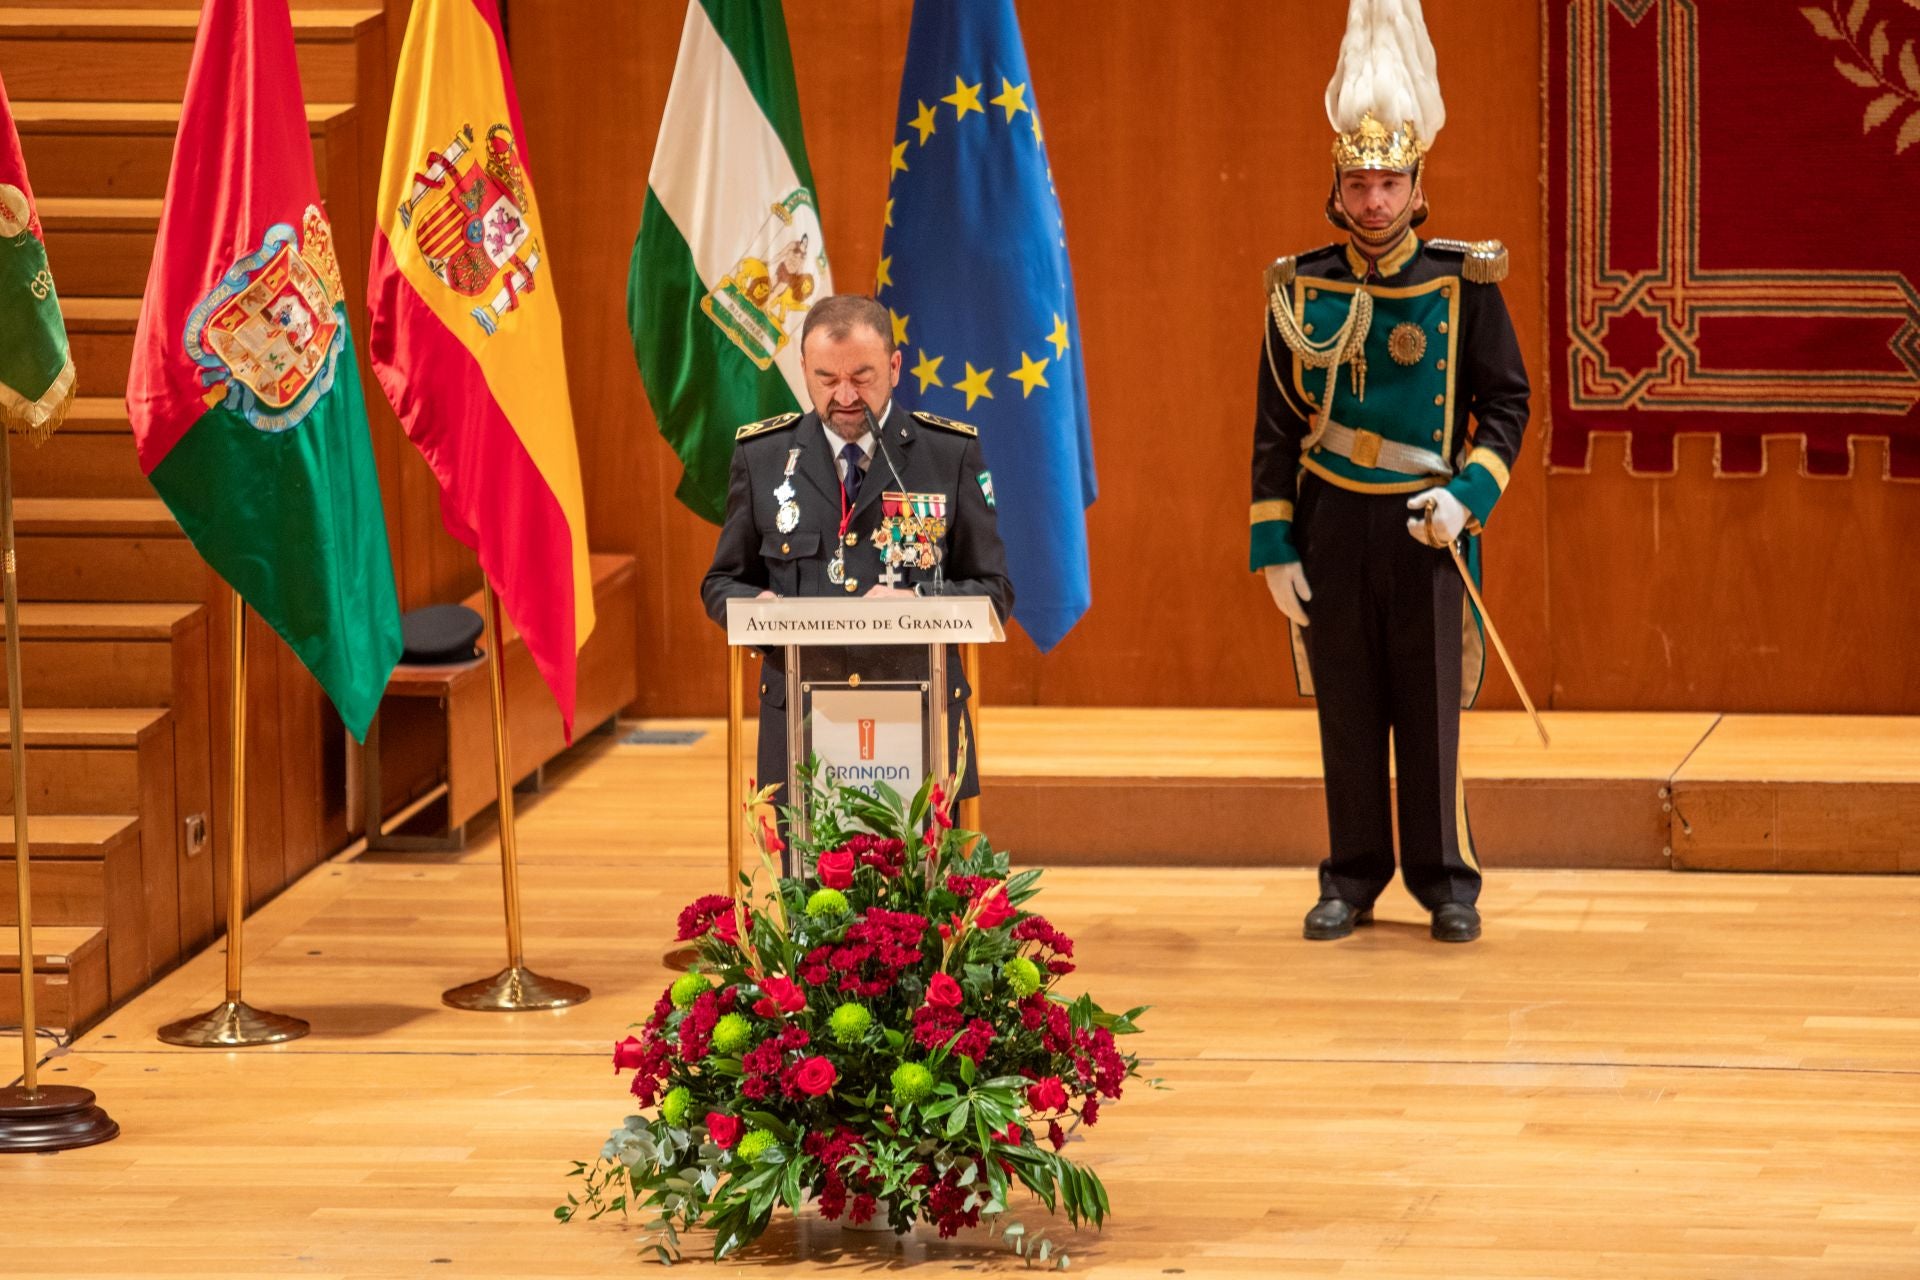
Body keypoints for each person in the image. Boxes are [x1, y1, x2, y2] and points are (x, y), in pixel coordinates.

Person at [1250, 0, 1529, 944]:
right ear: (1338, 185)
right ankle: (1352, 876)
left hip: (1426, 523)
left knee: (1430, 713)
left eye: (1391, 182)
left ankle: (1448, 883)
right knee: (1349, 710)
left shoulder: (1465, 281)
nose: (1374, 200)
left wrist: (1468, 495)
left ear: (1419, 185)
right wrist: (1274, 545)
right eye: (1360, 181)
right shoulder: (1300, 286)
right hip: (1334, 524)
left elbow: (1506, 407)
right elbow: (1277, 427)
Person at [703, 294, 1012, 805]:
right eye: (826, 379)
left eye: (862, 377)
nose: (844, 396)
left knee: (924, 885)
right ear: (803, 367)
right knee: (805, 885)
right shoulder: (762, 458)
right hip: (801, 720)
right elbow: (721, 582)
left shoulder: (948, 454)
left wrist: (921, 607)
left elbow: (995, 590)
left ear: (894, 366)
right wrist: (755, 612)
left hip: (919, 715)